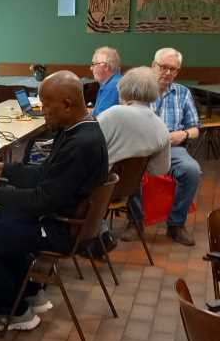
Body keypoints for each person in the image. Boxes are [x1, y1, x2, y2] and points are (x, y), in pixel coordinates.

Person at [0, 71, 108, 332]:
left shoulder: (81, 144)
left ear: (67, 105)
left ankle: (15, 312)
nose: (42, 111)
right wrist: (4, 169)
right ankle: (28, 290)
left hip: (60, 227)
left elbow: (42, 200)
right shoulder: (76, 129)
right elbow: (45, 175)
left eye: (46, 105)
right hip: (61, 216)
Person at [86, 67, 171, 257]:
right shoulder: (161, 127)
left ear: (123, 88)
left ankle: (93, 233)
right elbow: (159, 170)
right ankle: (99, 233)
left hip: (97, 189)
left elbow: (87, 149)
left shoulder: (113, 114)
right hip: (126, 190)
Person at [123, 48, 201, 246]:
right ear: (153, 65)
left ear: (178, 71)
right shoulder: (136, 89)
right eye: (163, 67)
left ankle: (176, 224)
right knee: (130, 168)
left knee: (192, 170)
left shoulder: (182, 93)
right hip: (141, 147)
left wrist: (183, 134)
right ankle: (135, 222)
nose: (167, 73)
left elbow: (195, 129)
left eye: (173, 69)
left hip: (171, 147)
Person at [90, 46, 122, 117]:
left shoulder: (112, 86)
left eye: (93, 64)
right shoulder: (111, 82)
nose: (91, 68)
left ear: (106, 66)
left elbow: (99, 118)